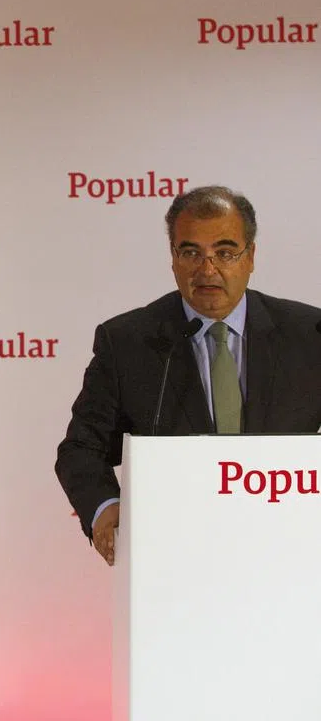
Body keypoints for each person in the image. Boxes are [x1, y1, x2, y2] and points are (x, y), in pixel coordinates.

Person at [55, 185, 321, 566]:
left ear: (251, 257)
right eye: (191, 252)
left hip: (290, 552)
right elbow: (81, 449)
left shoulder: (310, 336)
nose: (207, 269)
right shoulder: (129, 342)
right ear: (173, 257)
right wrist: (106, 508)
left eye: (225, 252)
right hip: (175, 557)